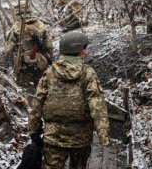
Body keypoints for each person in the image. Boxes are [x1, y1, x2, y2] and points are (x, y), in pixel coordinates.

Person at [28, 31, 110, 169]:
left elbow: (37, 103)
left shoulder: (49, 73)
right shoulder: (87, 73)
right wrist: (104, 135)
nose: (87, 52)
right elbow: (97, 105)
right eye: (84, 48)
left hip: (53, 137)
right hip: (81, 138)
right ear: (77, 49)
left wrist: (34, 130)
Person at [1, 1, 54, 98]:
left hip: (23, 66)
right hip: (41, 63)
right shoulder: (41, 25)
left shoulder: (17, 26)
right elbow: (49, 45)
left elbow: (9, 49)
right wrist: (51, 60)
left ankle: (29, 109)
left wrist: (3, 66)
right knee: (43, 88)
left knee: (25, 92)